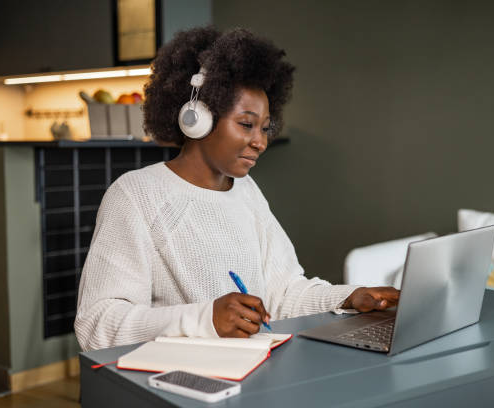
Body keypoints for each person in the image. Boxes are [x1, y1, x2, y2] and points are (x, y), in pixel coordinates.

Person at [74, 27, 399, 351]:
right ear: (196, 117)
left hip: (252, 373)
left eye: (265, 127)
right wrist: (205, 319)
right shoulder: (135, 196)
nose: (260, 142)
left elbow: (283, 294)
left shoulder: (246, 190)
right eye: (246, 124)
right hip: (177, 383)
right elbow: (97, 323)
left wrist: (351, 297)